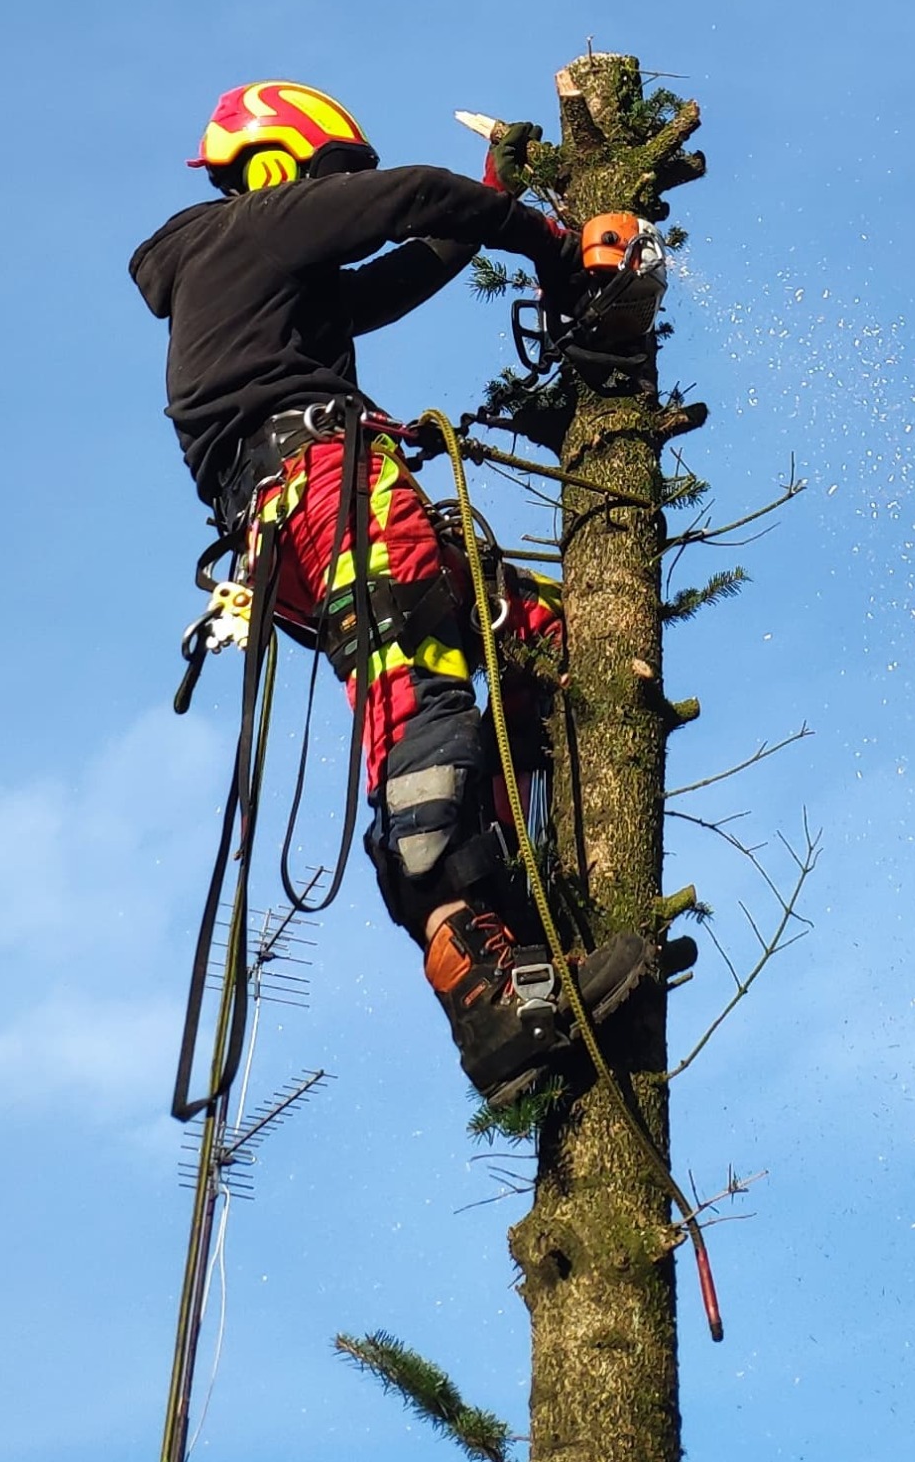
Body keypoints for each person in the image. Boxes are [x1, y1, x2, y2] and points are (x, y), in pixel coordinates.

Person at [130, 80, 648, 1103]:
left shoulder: (264, 282)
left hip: (311, 506)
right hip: (322, 484)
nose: (334, 202)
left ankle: (530, 914)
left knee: (537, 635)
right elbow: (409, 197)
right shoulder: (237, 229)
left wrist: (499, 192)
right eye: (328, 181)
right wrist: (551, 241)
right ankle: (479, 974)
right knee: (418, 680)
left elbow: (406, 261)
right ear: (280, 168)